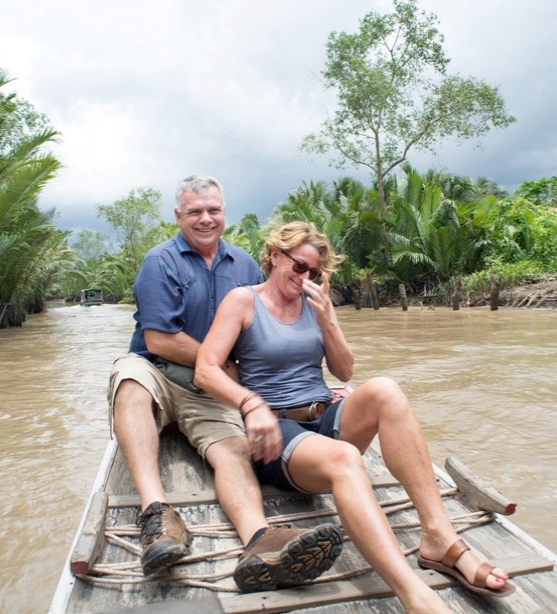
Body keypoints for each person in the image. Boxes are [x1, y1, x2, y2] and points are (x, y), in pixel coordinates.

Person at [194, 221, 514, 613]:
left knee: (386, 390)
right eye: (298, 266)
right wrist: (250, 405)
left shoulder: (315, 301)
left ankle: (438, 536)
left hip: (323, 415)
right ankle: (414, 595)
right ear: (274, 256)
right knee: (345, 458)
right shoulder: (242, 301)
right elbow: (205, 369)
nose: (305, 277)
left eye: (314, 272)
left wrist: (328, 319)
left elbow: (344, 372)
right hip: (277, 432)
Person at [107, 177, 343, 591]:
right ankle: (155, 514)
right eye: (195, 211)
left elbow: (260, 335)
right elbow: (158, 339)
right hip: (160, 369)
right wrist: (217, 364)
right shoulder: (159, 261)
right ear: (178, 216)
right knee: (129, 381)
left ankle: (259, 538)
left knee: (234, 449)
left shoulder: (245, 266)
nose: (205, 218)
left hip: (213, 385)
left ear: (224, 213)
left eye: (213, 210)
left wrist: (290, 392)